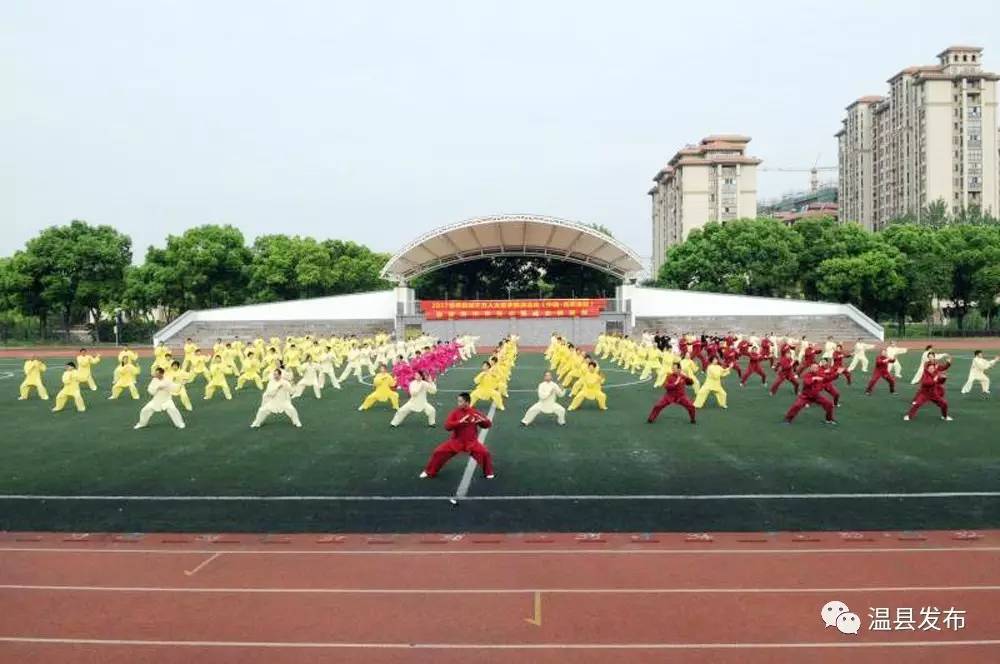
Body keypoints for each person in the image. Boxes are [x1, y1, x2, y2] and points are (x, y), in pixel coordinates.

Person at [419, 392, 494, 479]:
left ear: (467, 402)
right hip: (456, 441)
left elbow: (488, 425)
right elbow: (447, 426)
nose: (458, 403)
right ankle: (429, 472)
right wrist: (459, 422)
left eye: (460, 401)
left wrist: (483, 421)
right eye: (458, 401)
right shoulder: (455, 412)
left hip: (471, 442)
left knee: (485, 453)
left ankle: (488, 472)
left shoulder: (475, 412)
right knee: (438, 452)